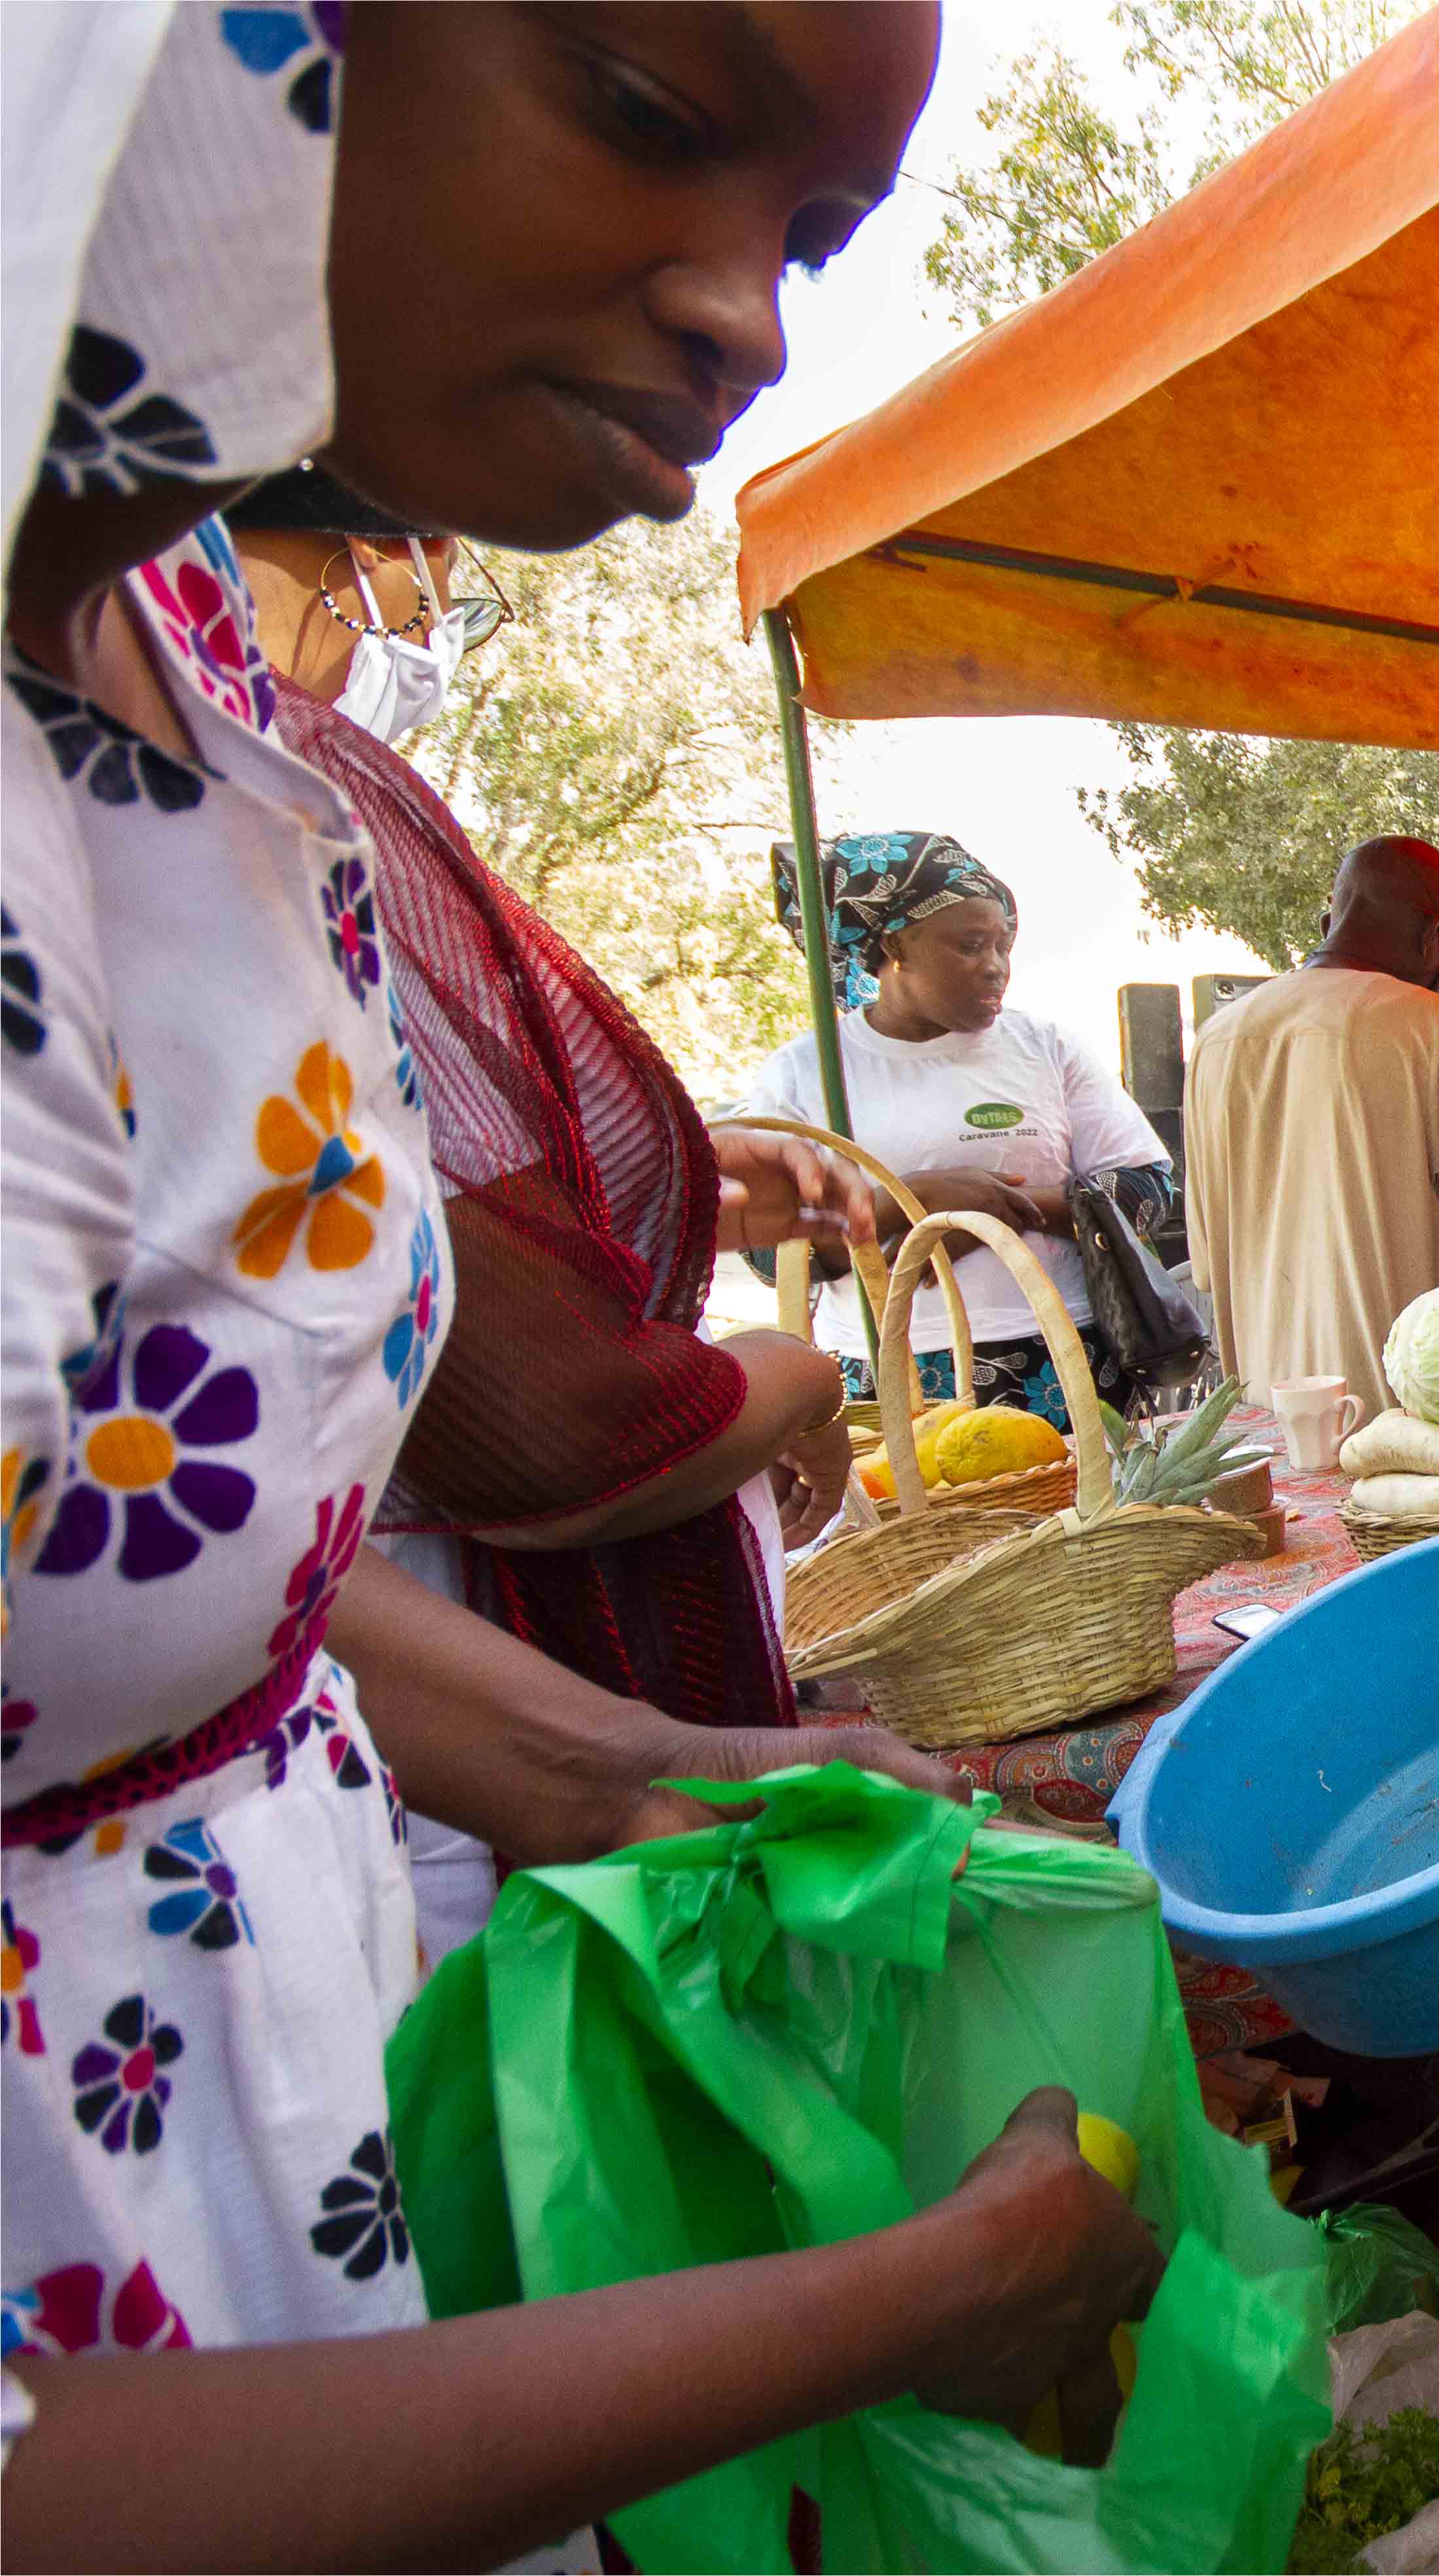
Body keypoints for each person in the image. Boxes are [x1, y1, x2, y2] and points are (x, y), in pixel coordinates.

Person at [1, 8, 1158, 2561]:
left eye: (817, 241)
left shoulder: (194, 726)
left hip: (277, 2204)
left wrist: (636, 1776)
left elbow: (118, 1569)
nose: (753, 317)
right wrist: (931, 2295)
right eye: (653, 111)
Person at [227, 462, 860, 1966]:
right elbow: (559, 1429)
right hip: (460, 1742)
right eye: (438, 564)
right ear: (369, 551)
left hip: (447, 1720)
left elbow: (369, 1205)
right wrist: (799, 1380)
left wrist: (677, 1185)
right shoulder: (271, 784)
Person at [743, 833, 1177, 1430]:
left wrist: (993, 1210)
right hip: (893, 1372)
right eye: (970, 945)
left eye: (1004, 944)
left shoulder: (1045, 1048)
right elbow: (770, 1254)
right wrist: (912, 1205)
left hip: (1066, 1352)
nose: (995, 965)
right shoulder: (806, 1071)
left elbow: (1147, 1191)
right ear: (894, 944)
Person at [1183, 835, 1439, 1420]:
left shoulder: (1216, 1039)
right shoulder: (1433, 1027)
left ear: (1332, 920)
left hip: (1266, 1421)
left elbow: (1206, 1268)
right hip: (1395, 1421)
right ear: (1438, 938)